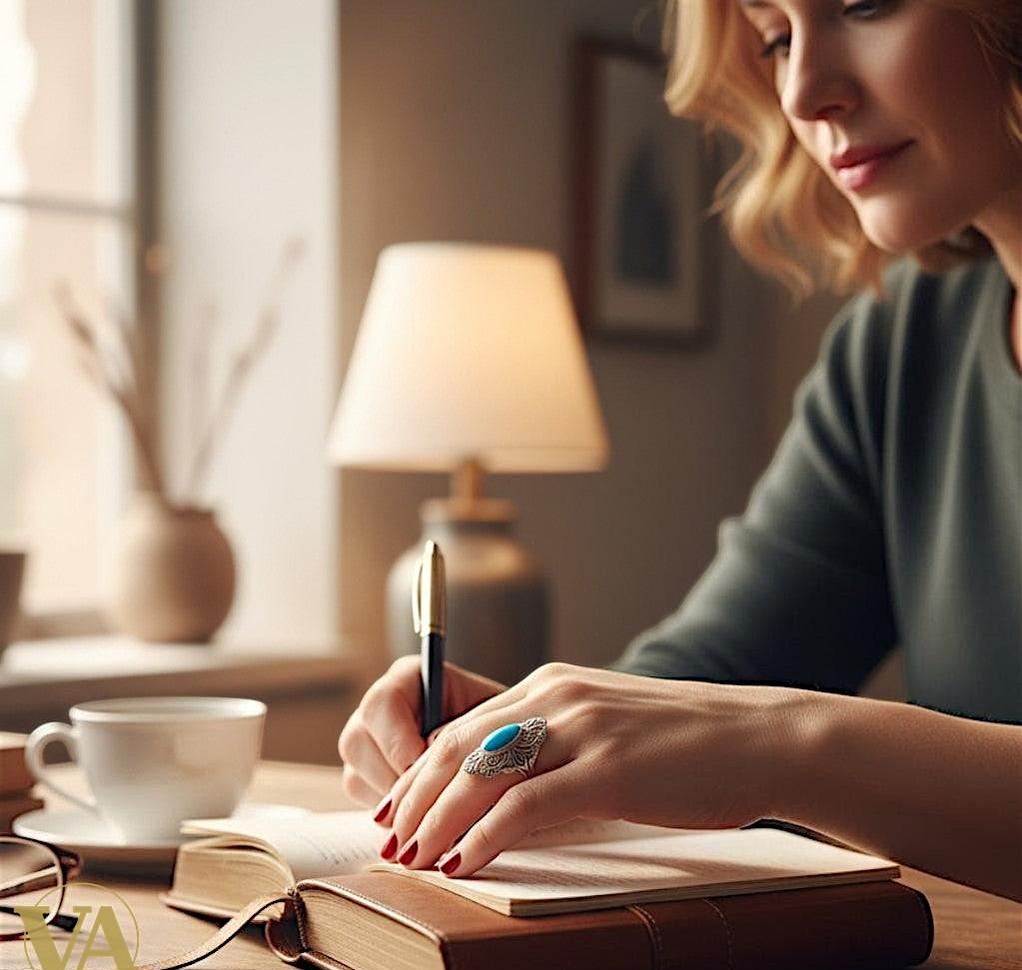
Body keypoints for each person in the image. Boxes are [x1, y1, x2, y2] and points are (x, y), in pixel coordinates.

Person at [337, 0, 1022, 901]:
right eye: (776, 38)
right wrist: (521, 734)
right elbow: (716, 677)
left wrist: (786, 744)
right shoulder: (900, 349)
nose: (805, 91)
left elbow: (743, 723)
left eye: (864, 4)